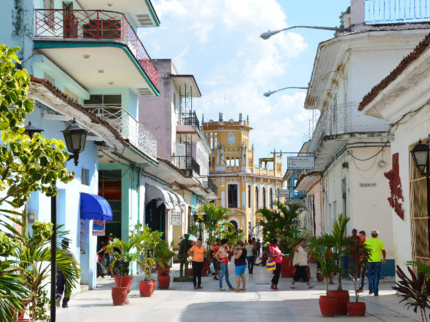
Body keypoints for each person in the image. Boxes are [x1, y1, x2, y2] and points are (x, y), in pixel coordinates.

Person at [56, 238, 77, 308]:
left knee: (59, 286)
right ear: (68, 245)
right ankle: (65, 304)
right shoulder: (70, 253)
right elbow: (74, 264)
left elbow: (55, 263)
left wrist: (56, 271)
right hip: (68, 273)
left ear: (62, 245)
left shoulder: (58, 253)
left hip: (59, 272)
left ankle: (58, 296)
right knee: (68, 288)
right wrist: (76, 273)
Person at [365, 229, 386, 296]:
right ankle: (375, 291)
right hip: (377, 260)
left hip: (369, 260)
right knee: (376, 275)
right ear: (377, 235)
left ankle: (370, 289)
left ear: (371, 235)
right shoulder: (380, 242)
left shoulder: (367, 241)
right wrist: (384, 259)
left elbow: (364, 251)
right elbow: (383, 251)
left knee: (370, 275)